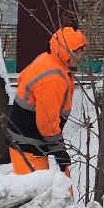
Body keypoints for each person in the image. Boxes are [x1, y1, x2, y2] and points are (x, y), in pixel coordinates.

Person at [9, 23, 87, 184]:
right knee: (33, 194)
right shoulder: (53, 78)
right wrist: (59, 150)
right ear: (65, 52)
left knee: (37, 192)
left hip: (27, 140)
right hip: (28, 144)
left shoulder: (47, 60)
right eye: (76, 51)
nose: (80, 55)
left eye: (81, 50)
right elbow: (47, 122)